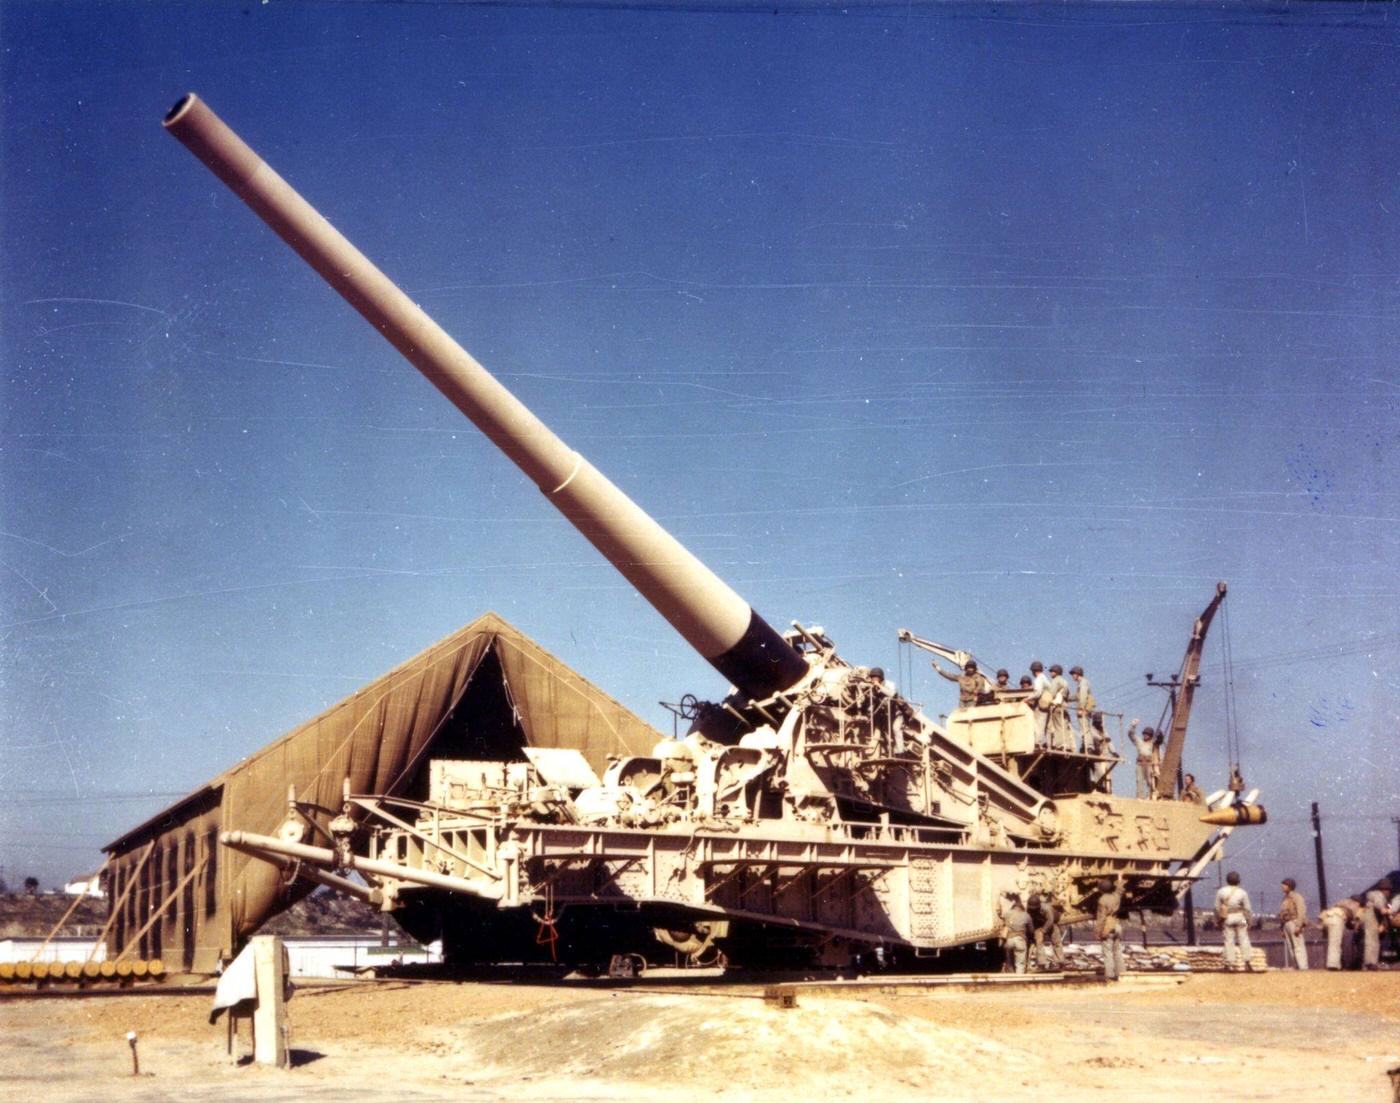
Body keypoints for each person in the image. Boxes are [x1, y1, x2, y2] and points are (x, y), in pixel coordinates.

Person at [1214, 870, 1254, 972]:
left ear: (1227, 880)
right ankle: (1247, 962)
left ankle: (1229, 964)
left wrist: (1218, 920)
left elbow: (1216, 907)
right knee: (1244, 938)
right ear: (1238, 881)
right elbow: (1248, 909)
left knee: (1229, 940)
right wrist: (1249, 921)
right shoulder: (1242, 892)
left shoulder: (1221, 891)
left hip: (1228, 918)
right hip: (1241, 917)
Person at [1095, 878, 1124, 981]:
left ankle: (1110, 976)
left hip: (1108, 926)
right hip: (1117, 925)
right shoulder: (1115, 896)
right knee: (1117, 950)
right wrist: (1120, 878)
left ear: (1100, 889)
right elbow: (1120, 890)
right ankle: (1122, 973)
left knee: (1107, 952)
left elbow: (1101, 918)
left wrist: (1098, 932)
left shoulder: (1102, 900)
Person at [1027, 893, 1065, 971]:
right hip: (1039, 925)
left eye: (1035, 908)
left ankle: (1060, 962)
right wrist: (1033, 932)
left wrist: (1043, 931)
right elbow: (1029, 920)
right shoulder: (1028, 908)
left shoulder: (1046, 908)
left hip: (1051, 924)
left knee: (1056, 942)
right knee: (1039, 943)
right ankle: (1042, 964)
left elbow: (1050, 920)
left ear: (1039, 905)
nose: (1033, 909)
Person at [1319, 897, 1359, 970]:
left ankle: (1337, 964)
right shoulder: (1354, 904)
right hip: (1336, 919)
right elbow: (1351, 922)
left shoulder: (1342, 902)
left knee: (1334, 942)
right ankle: (1333, 965)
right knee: (1335, 943)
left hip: (1326, 918)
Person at [1278, 878, 1309, 970]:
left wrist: (1299, 925)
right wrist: (1282, 928)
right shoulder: (1285, 898)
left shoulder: (1297, 897)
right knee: (1291, 947)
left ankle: (1303, 967)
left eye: (1285, 885)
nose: (1282, 886)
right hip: (1286, 923)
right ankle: (1296, 966)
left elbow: (1301, 911)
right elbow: (1282, 914)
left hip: (1294, 922)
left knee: (1298, 946)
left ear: (1290, 886)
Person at [1362, 879, 1392, 970]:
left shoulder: (1375, 895)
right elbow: (1379, 904)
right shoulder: (1379, 894)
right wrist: (1383, 910)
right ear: (1385, 889)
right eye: (1388, 890)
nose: (1389, 893)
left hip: (1371, 917)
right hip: (1371, 917)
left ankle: (1371, 962)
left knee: (1373, 940)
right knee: (1372, 940)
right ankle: (1370, 963)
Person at [1000, 893, 1033, 974]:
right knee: (1020, 964)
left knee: (1009, 963)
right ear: (1022, 908)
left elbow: (1003, 923)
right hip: (1020, 940)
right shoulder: (1026, 915)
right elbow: (1031, 931)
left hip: (1009, 940)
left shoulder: (1007, 914)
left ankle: (1009, 980)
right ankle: (1019, 982)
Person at [1044, 664, 1074, 751]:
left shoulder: (1055, 681)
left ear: (1056, 672)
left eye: (1052, 671)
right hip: (1064, 705)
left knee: (1057, 726)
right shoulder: (1065, 682)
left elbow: (1052, 693)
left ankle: (1060, 744)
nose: (1051, 673)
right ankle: (1067, 745)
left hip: (1057, 705)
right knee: (1063, 725)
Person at [1085, 713, 1117, 793]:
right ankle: (1096, 787)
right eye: (1097, 722)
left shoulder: (1103, 730)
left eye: (1100, 722)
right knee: (1098, 771)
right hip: (1094, 753)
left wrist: (1114, 752)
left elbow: (1108, 741)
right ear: (1094, 722)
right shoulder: (1091, 730)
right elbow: (1090, 740)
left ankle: (1103, 788)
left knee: (1105, 772)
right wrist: (1090, 749)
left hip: (1103, 754)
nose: (1099, 724)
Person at [1126, 719, 1154, 799]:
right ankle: (1140, 797)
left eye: (1147, 734)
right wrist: (1133, 726)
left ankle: (1151, 797)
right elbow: (1131, 734)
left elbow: (1158, 754)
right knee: (1139, 780)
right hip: (1140, 763)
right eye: (1144, 734)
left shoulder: (1153, 744)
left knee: (1150, 781)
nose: (1145, 735)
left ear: (1151, 735)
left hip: (1149, 764)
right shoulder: (1139, 741)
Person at [1069, 665, 1094, 743]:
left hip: (1084, 708)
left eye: (1073, 674)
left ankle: (1089, 746)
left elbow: (1083, 696)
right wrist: (1066, 698)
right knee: (1084, 727)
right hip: (1085, 708)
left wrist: (1081, 708)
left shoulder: (1083, 682)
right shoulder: (1081, 683)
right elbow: (1077, 696)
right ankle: (1086, 745)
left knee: (1085, 727)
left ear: (1077, 674)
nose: (1072, 676)